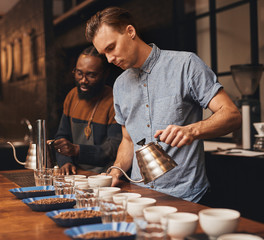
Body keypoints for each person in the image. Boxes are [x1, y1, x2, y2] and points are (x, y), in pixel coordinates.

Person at [85, 7, 241, 202]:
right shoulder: (119, 85)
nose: (109, 59)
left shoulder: (186, 65)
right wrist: (116, 170)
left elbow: (232, 115)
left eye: (111, 48)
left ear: (130, 32)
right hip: (139, 197)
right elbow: (128, 140)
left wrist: (191, 131)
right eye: (104, 54)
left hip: (187, 197)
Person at [51, 46, 122, 175]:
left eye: (91, 75)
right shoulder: (72, 96)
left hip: (104, 175)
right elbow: (62, 136)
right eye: (79, 73)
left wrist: (77, 150)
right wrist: (66, 162)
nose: (83, 80)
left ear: (105, 74)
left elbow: (114, 149)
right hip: (76, 173)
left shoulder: (114, 101)